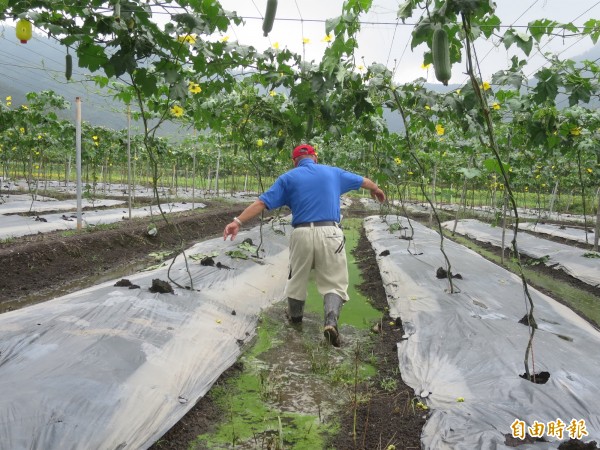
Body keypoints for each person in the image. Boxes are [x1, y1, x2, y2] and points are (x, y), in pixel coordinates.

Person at [223, 144, 385, 347]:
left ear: (294, 161)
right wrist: (376, 189)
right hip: (330, 232)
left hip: (301, 234)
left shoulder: (288, 178)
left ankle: (295, 321)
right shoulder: (333, 173)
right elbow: (364, 181)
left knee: (296, 280)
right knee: (334, 282)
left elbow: (262, 203)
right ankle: (330, 322)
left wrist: (237, 222)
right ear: (315, 157)